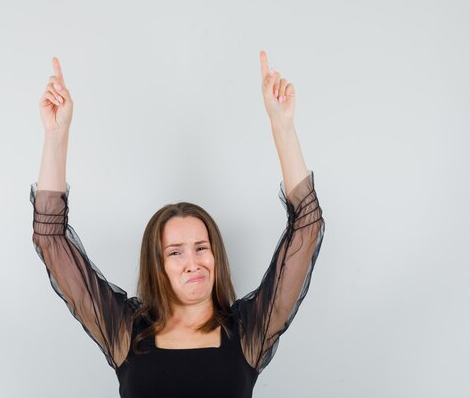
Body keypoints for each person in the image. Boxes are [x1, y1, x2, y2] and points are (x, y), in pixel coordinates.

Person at [30, 50, 325, 398]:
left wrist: (282, 126)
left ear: (216, 256)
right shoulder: (126, 332)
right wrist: (56, 134)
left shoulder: (247, 332)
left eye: (201, 247)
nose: (192, 262)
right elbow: (50, 238)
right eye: (175, 252)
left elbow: (306, 227)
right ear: (158, 265)